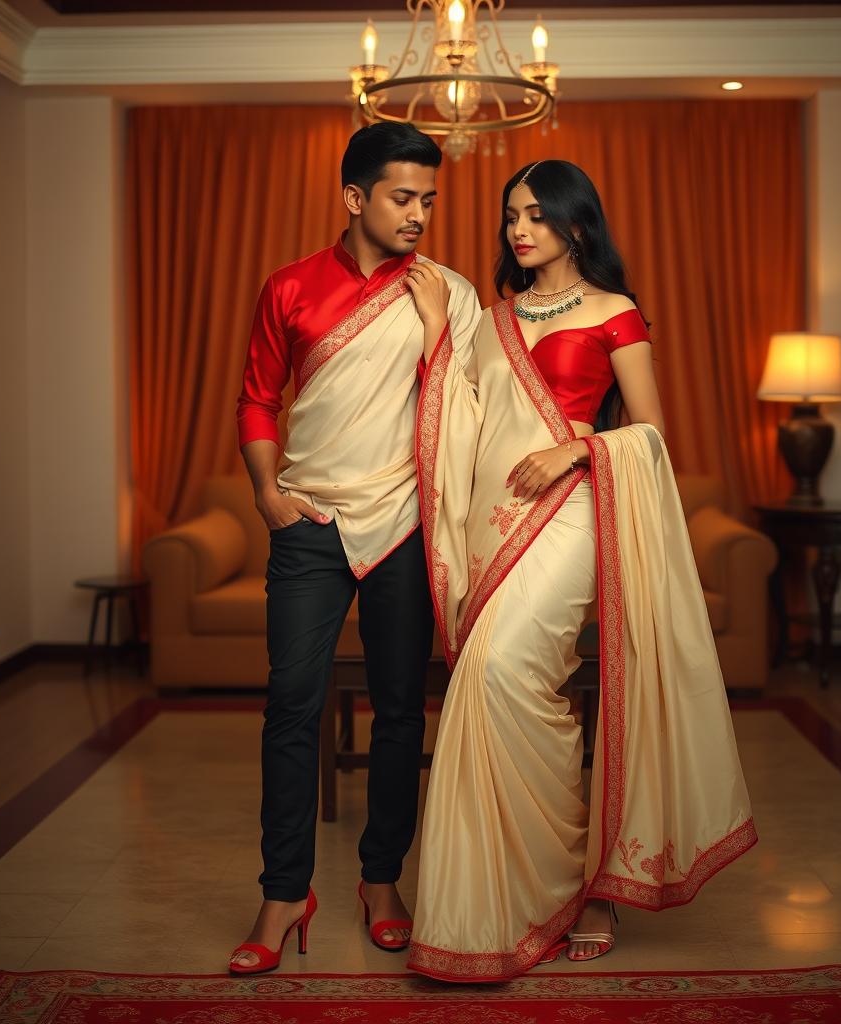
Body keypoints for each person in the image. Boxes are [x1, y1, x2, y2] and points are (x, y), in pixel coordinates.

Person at [406, 159, 757, 982]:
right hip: (490, 522)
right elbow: (458, 414)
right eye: (509, 216)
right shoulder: (489, 322)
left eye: (534, 214)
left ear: (576, 223)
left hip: (569, 511)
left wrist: (576, 448)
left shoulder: (614, 312)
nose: (518, 230)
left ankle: (579, 881)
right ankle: (523, 891)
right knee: (487, 688)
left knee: (506, 672)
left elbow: (653, 433)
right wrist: (433, 331)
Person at [230, 122, 481, 974]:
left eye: (429, 201)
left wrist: (443, 326)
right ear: (354, 198)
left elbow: (479, 409)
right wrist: (269, 495)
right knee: (291, 706)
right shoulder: (291, 287)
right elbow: (259, 397)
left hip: (407, 527)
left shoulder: (446, 290)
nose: (419, 215)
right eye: (403, 198)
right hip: (312, 525)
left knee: (401, 710)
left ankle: (382, 881)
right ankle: (283, 891)